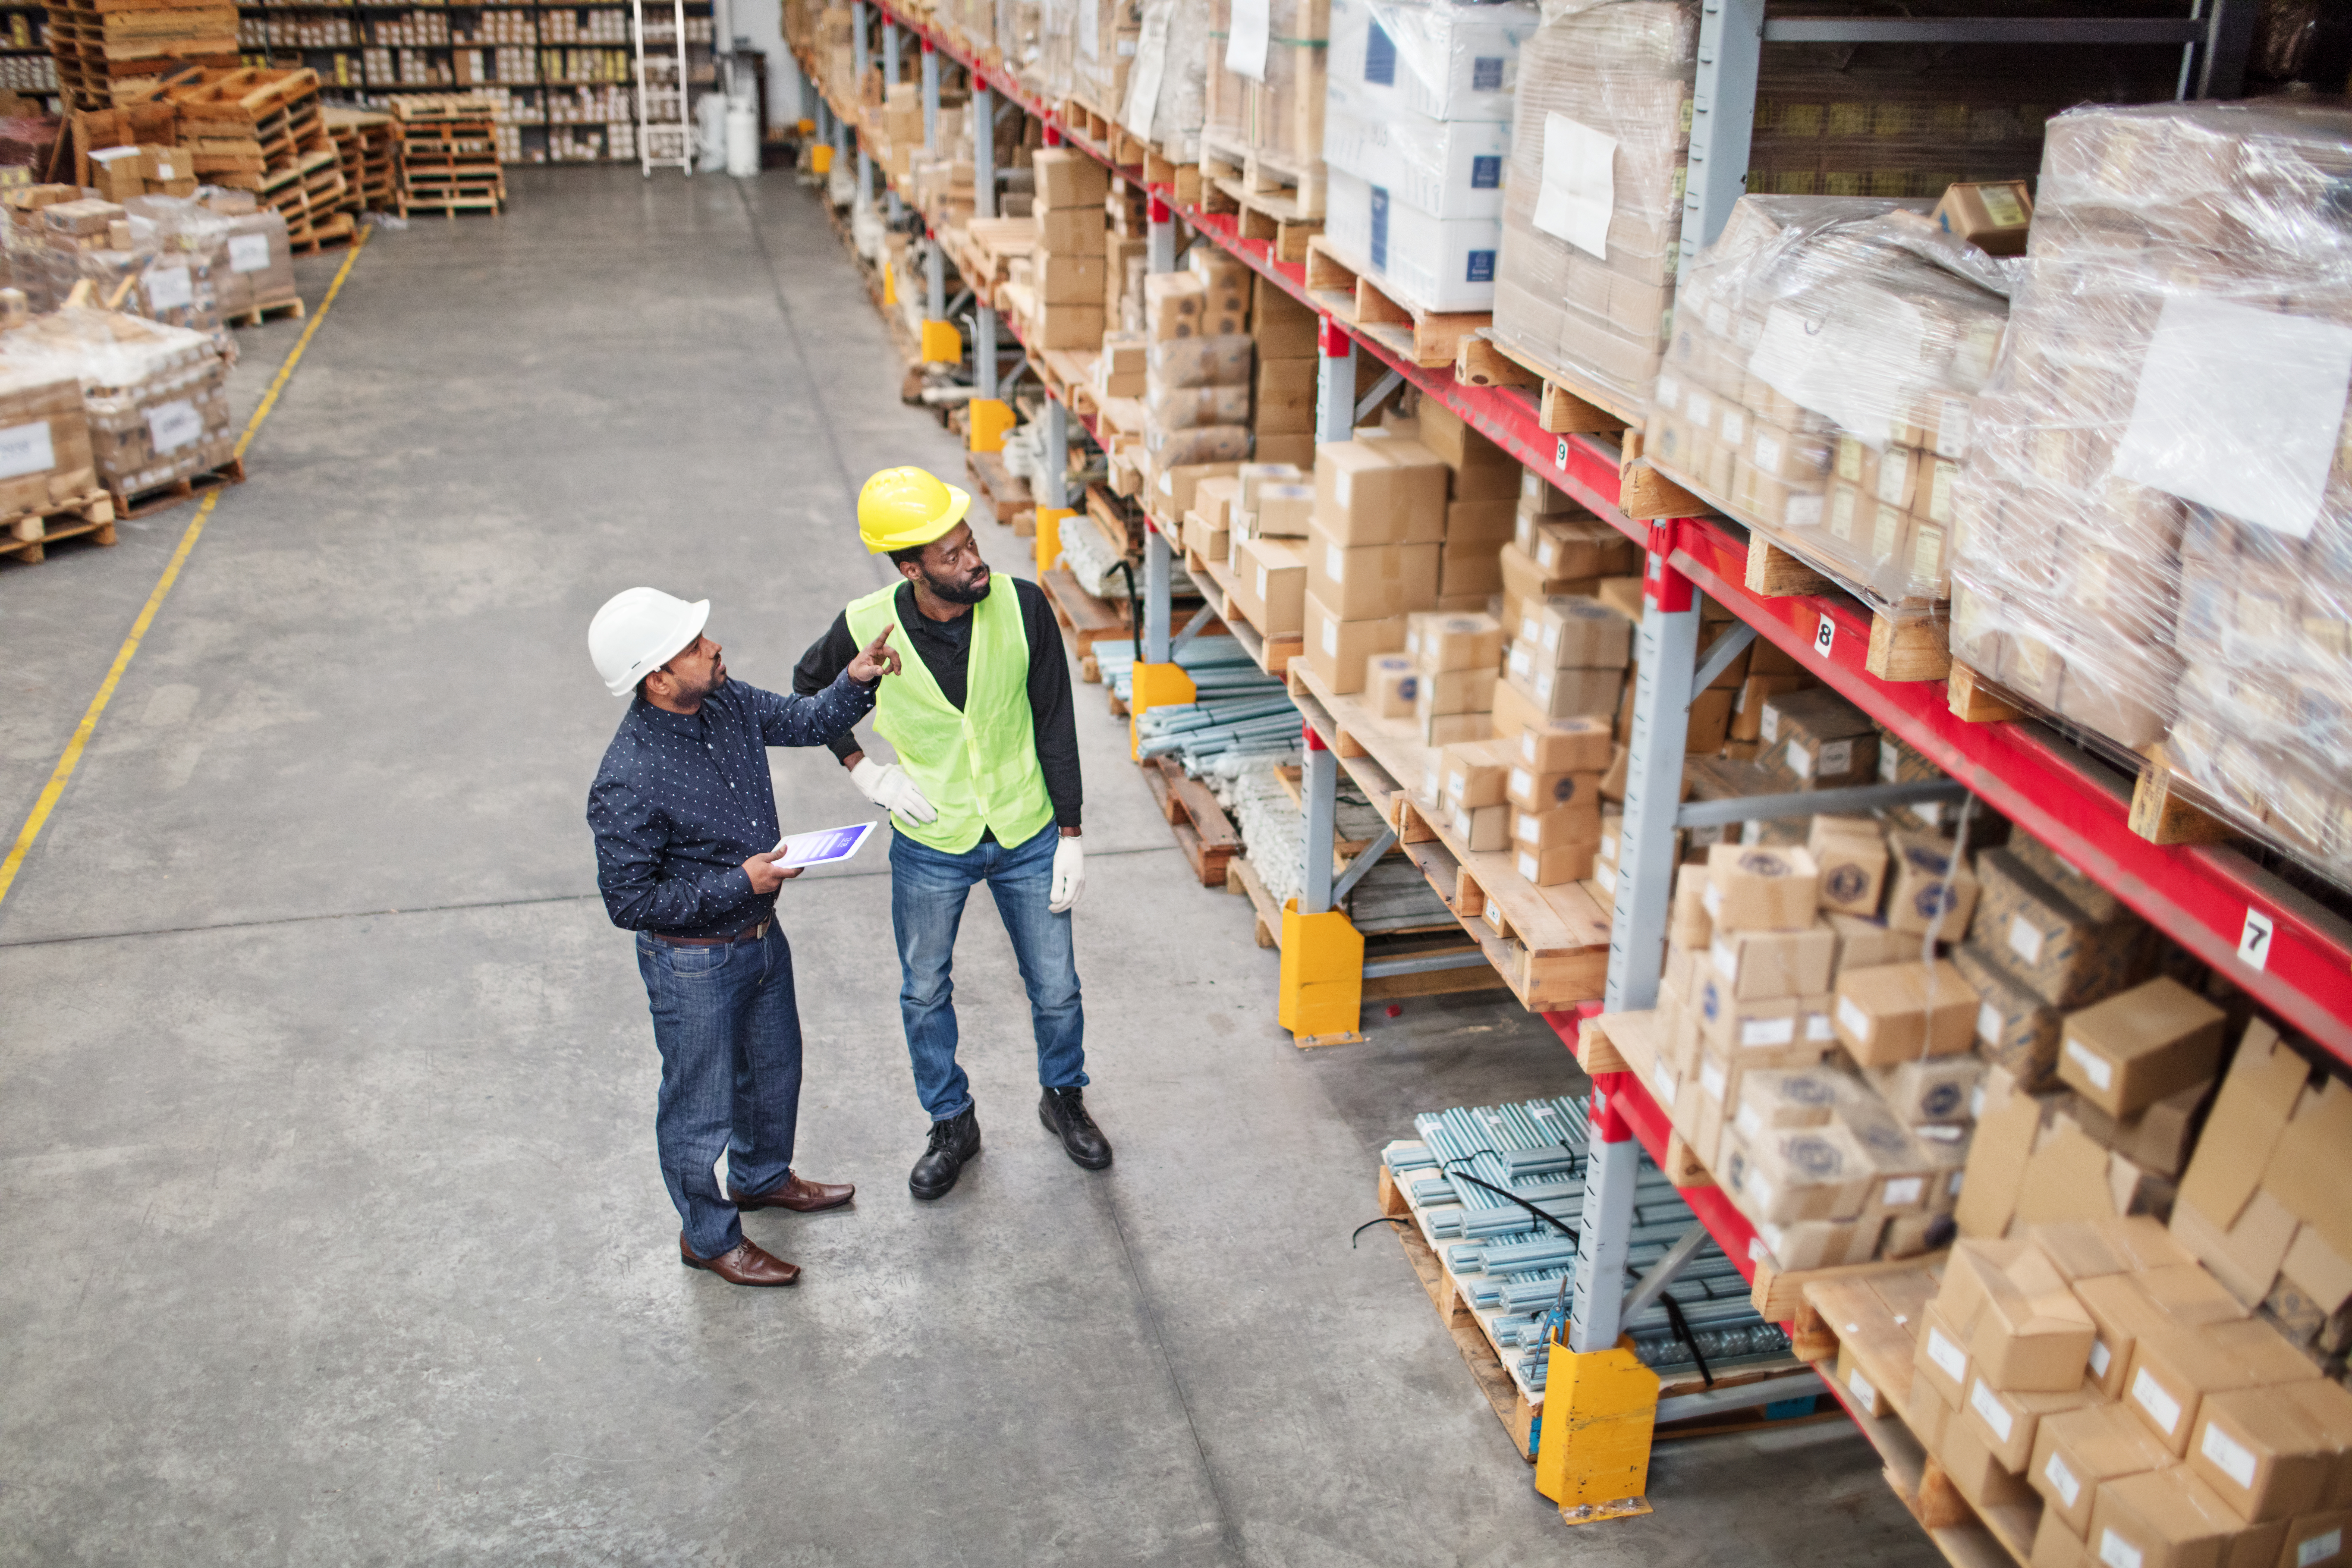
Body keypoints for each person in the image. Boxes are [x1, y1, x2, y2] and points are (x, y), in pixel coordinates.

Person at [793, 466, 1109, 1201]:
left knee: (1056, 988)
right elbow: (809, 691)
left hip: (1026, 828)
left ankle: (1063, 1096)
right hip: (932, 838)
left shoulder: (1023, 607)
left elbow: (1055, 720)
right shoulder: (865, 624)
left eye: (970, 543)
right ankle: (951, 1122)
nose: (974, 561)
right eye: (953, 555)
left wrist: (1070, 831)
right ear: (913, 571)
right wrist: (865, 772)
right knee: (924, 991)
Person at [586, 586, 902, 1287]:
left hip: (761, 939)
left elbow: (803, 719)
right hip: (693, 965)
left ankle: (760, 1178)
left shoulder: (724, 700)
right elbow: (630, 902)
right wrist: (740, 884)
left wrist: (855, 681)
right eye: (694, 646)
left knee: (775, 1070)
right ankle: (707, 1238)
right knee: (699, 1109)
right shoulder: (628, 777)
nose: (714, 647)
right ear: (657, 679)